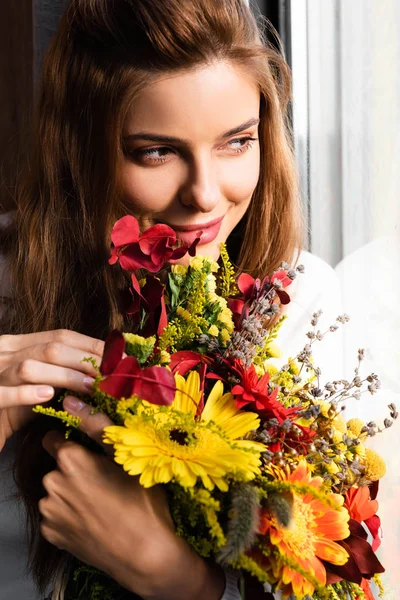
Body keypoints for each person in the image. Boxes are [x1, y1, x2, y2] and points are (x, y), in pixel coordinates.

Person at [0, 1, 344, 598]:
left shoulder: (304, 306)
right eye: (156, 152)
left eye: (237, 143)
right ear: (81, 149)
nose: (206, 195)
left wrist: (176, 578)